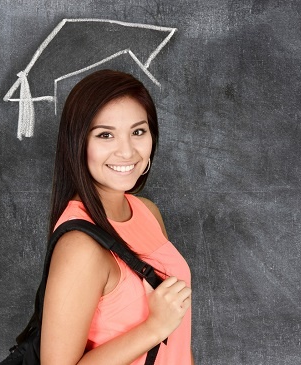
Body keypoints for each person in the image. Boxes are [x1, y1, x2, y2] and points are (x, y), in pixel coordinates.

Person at [41, 69, 193, 365]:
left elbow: (175, 342)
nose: (127, 151)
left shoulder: (147, 213)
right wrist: (154, 327)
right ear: (78, 143)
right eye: (105, 135)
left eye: (138, 131)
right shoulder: (79, 247)